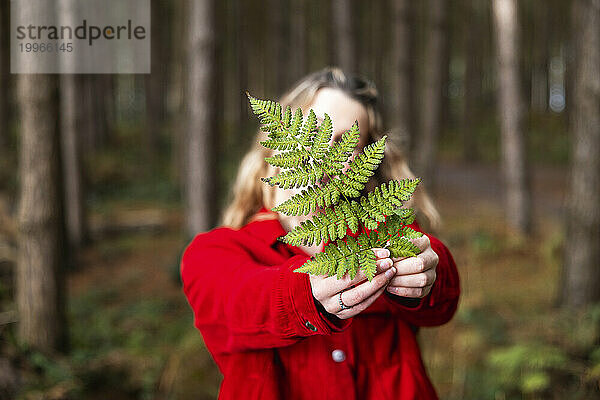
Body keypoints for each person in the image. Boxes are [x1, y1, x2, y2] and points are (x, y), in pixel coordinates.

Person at [181, 67, 460, 400]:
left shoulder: (380, 230)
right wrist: (306, 296)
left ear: (366, 160)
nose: (326, 153)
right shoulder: (215, 252)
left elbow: (441, 290)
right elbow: (238, 301)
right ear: (274, 144)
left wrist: (427, 270)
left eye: (346, 141)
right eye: (313, 132)